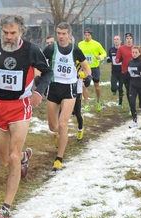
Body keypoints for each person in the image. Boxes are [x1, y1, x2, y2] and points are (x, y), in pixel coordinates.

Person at [0, 15, 52, 218]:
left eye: (13, 33)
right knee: (4, 161)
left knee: (13, 157)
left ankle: (5, 208)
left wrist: (39, 92)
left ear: (21, 33)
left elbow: (47, 72)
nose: (9, 37)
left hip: (20, 106)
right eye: (6, 33)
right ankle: (25, 156)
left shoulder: (31, 50)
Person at [43, 22, 91, 171]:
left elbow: (86, 67)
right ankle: (58, 134)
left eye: (64, 34)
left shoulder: (75, 50)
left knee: (63, 124)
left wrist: (88, 77)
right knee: (53, 126)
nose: (61, 36)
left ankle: (59, 158)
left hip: (69, 89)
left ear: (69, 35)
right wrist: (39, 78)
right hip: (53, 87)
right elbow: (39, 65)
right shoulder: (51, 49)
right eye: (59, 33)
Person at [78, 28, 107, 111]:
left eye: (88, 35)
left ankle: (98, 101)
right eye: (85, 35)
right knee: (84, 86)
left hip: (94, 68)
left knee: (97, 86)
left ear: (91, 35)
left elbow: (104, 53)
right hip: (85, 68)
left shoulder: (96, 44)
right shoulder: (80, 44)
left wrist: (100, 57)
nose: (87, 37)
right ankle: (87, 104)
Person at [127, 46, 141, 129]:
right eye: (133, 52)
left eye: (136, 52)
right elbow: (129, 73)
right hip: (133, 85)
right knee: (131, 102)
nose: (134, 54)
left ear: (139, 53)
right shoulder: (130, 62)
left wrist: (139, 73)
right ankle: (134, 121)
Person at [115, 32, 134, 110]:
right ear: (125, 40)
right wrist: (119, 60)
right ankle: (131, 107)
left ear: (132, 39)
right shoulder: (121, 48)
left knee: (134, 90)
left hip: (135, 73)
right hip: (125, 72)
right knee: (129, 90)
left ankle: (140, 101)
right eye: (127, 39)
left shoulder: (135, 48)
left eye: (130, 39)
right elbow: (116, 59)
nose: (129, 40)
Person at [107, 35, 124, 107]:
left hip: (122, 72)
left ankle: (120, 103)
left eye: (117, 39)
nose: (116, 41)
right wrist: (108, 60)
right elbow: (109, 58)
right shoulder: (111, 50)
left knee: (120, 88)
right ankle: (114, 89)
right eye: (115, 39)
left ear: (120, 41)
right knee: (113, 88)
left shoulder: (123, 49)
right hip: (114, 72)